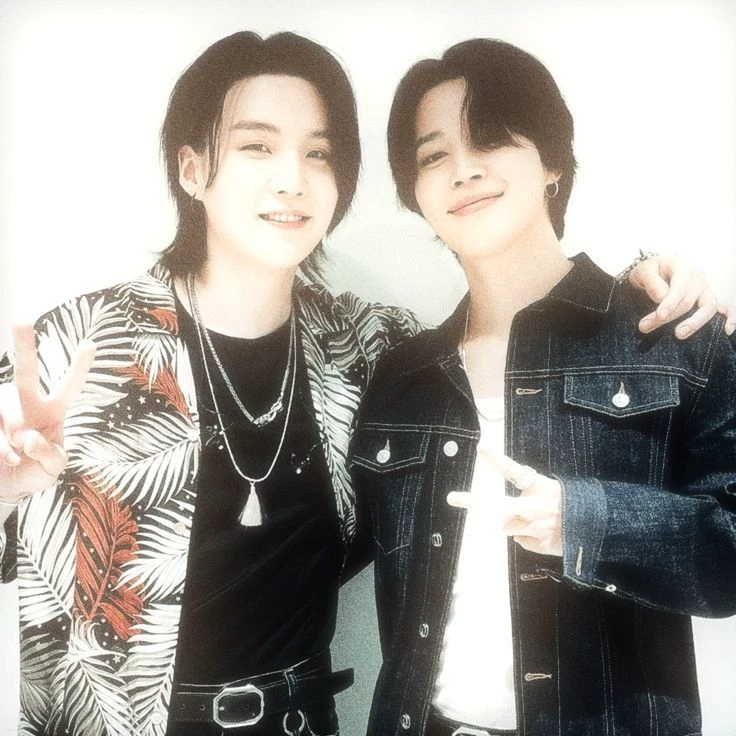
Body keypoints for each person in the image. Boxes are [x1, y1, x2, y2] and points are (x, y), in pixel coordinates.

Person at [0, 29, 722, 736]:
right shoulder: (77, 344)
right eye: (257, 146)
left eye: (318, 153)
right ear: (192, 169)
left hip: (302, 722)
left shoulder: (365, 348)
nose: (292, 178)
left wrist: (650, 275)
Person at [352, 38, 736, 736]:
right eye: (434, 156)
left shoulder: (671, 334)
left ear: (553, 163)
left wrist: (587, 522)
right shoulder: (402, 376)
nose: (464, 169)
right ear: (416, 194)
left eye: (491, 139)